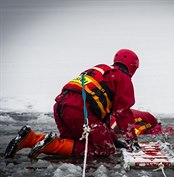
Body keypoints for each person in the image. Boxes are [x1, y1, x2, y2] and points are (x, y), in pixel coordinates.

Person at [5, 49, 141, 159]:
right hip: (80, 112)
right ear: (133, 67)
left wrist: (114, 139)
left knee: (74, 143)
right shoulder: (123, 78)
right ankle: (48, 145)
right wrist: (132, 140)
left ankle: (31, 138)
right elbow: (122, 112)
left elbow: (100, 115)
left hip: (61, 107)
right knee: (106, 149)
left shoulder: (99, 69)